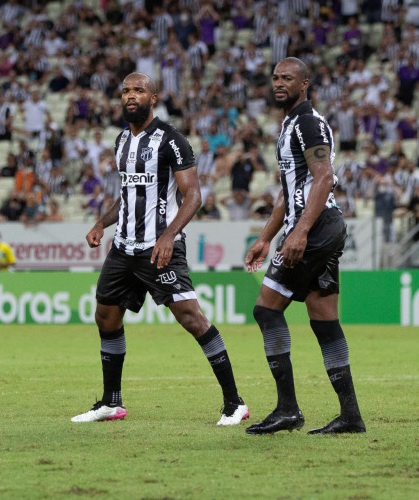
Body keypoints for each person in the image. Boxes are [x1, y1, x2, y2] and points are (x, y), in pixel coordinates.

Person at [71, 72, 249, 427]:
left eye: (138, 90)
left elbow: (194, 196)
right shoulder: (122, 141)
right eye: (125, 91)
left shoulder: (172, 140)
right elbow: (127, 196)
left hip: (159, 248)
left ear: (153, 97)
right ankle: (111, 403)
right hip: (123, 248)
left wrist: (169, 236)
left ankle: (235, 403)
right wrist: (100, 224)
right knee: (105, 316)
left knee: (191, 318)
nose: (130, 96)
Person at [243, 57, 365, 435]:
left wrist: (299, 233)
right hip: (315, 227)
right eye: (276, 78)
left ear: (305, 84)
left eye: (288, 79)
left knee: (266, 310)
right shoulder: (289, 125)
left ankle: (288, 409)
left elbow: (324, 178)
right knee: (324, 321)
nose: (279, 84)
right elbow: (289, 191)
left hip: (315, 228)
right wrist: (265, 237)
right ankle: (350, 416)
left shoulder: (308, 123)